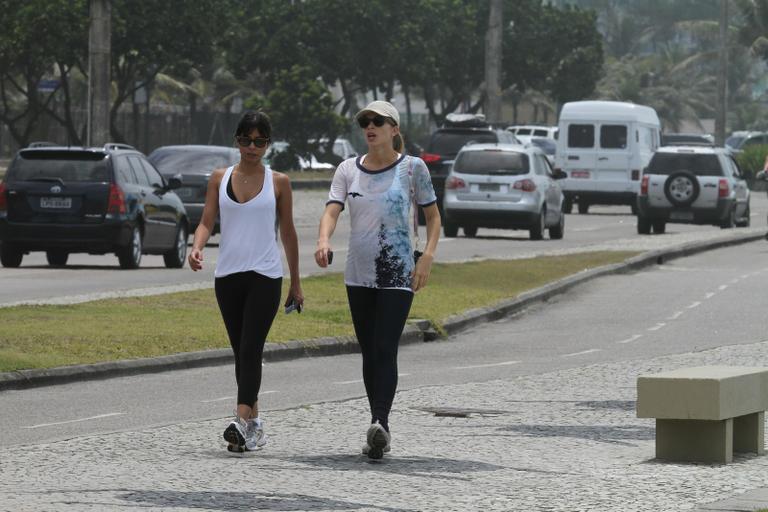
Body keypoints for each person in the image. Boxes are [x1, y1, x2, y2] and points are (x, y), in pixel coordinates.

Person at [314, 101, 441, 459]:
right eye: (365, 122)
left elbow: (433, 218)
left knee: (386, 346)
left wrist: (427, 257)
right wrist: (324, 239)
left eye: (378, 122)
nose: (370, 127)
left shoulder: (412, 168)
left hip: (398, 273)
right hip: (358, 274)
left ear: (394, 129)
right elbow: (331, 210)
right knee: (369, 351)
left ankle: (380, 421)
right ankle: (377, 427)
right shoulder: (347, 170)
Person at [188, 110, 303, 453]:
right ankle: (254, 426)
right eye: (245, 140)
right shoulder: (219, 178)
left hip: (266, 275)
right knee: (241, 352)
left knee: (252, 347)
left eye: (259, 141)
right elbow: (207, 220)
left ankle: (239, 420)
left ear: (268, 144)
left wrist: (296, 282)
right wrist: (196, 247)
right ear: (236, 140)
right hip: (228, 276)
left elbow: (288, 232)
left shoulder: (279, 181)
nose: (252, 147)